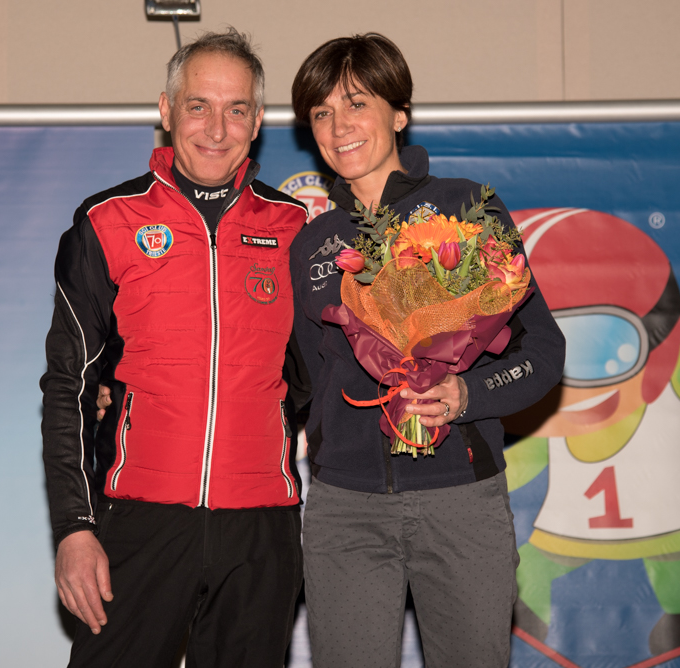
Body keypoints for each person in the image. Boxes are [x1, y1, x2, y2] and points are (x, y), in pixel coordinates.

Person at [289, 34, 566, 667]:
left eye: (357, 103)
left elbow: (543, 351)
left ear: (399, 114)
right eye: (322, 113)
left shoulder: (465, 208)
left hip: (460, 501)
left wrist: (468, 393)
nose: (339, 126)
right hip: (345, 509)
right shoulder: (311, 246)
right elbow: (301, 381)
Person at [40, 28, 309, 667]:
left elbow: (307, 380)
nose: (216, 129)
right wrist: (74, 528)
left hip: (262, 528)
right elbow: (68, 387)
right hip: (140, 519)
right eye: (198, 106)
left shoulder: (296, 229)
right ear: (166, 110)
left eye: (236, 109)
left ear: (257, 121)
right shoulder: (107, 221)